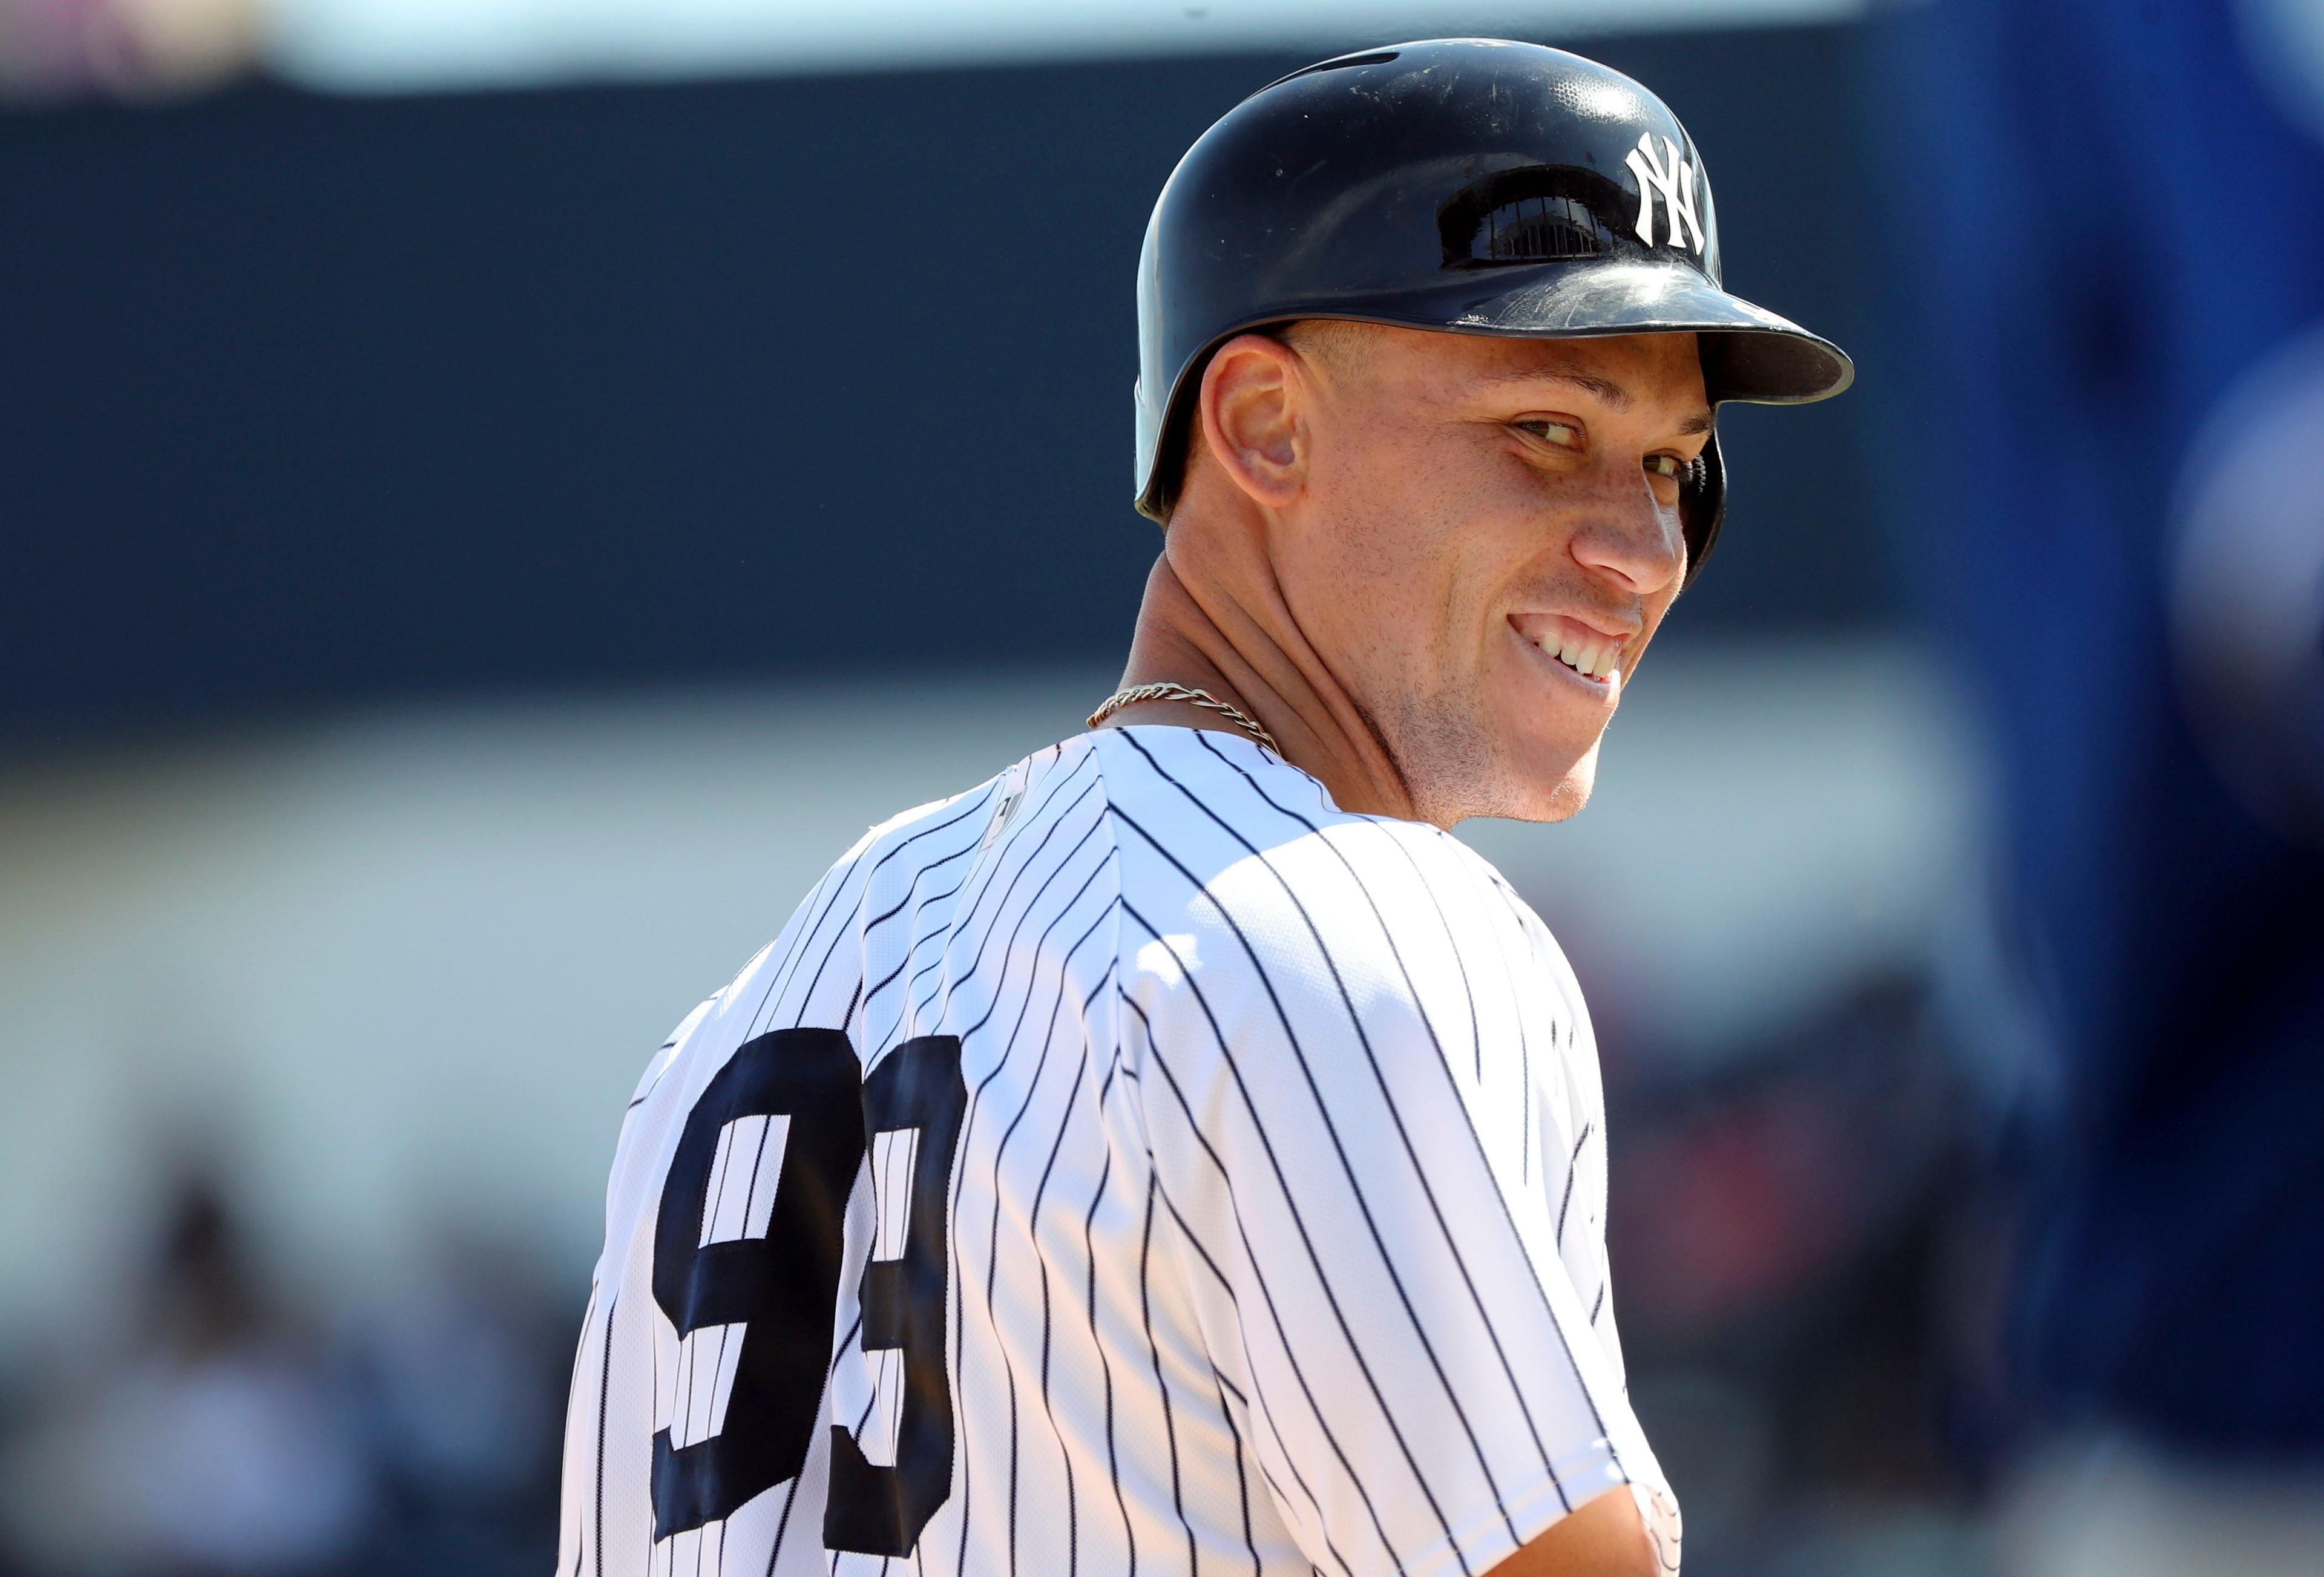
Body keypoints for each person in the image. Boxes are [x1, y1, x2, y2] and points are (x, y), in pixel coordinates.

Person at [556, 40, 1849, 1577]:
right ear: (1262, 427)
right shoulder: (1359, 935)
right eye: (1547, 432)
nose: (1644, 548)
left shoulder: (745, 1022)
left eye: (1677, 466)